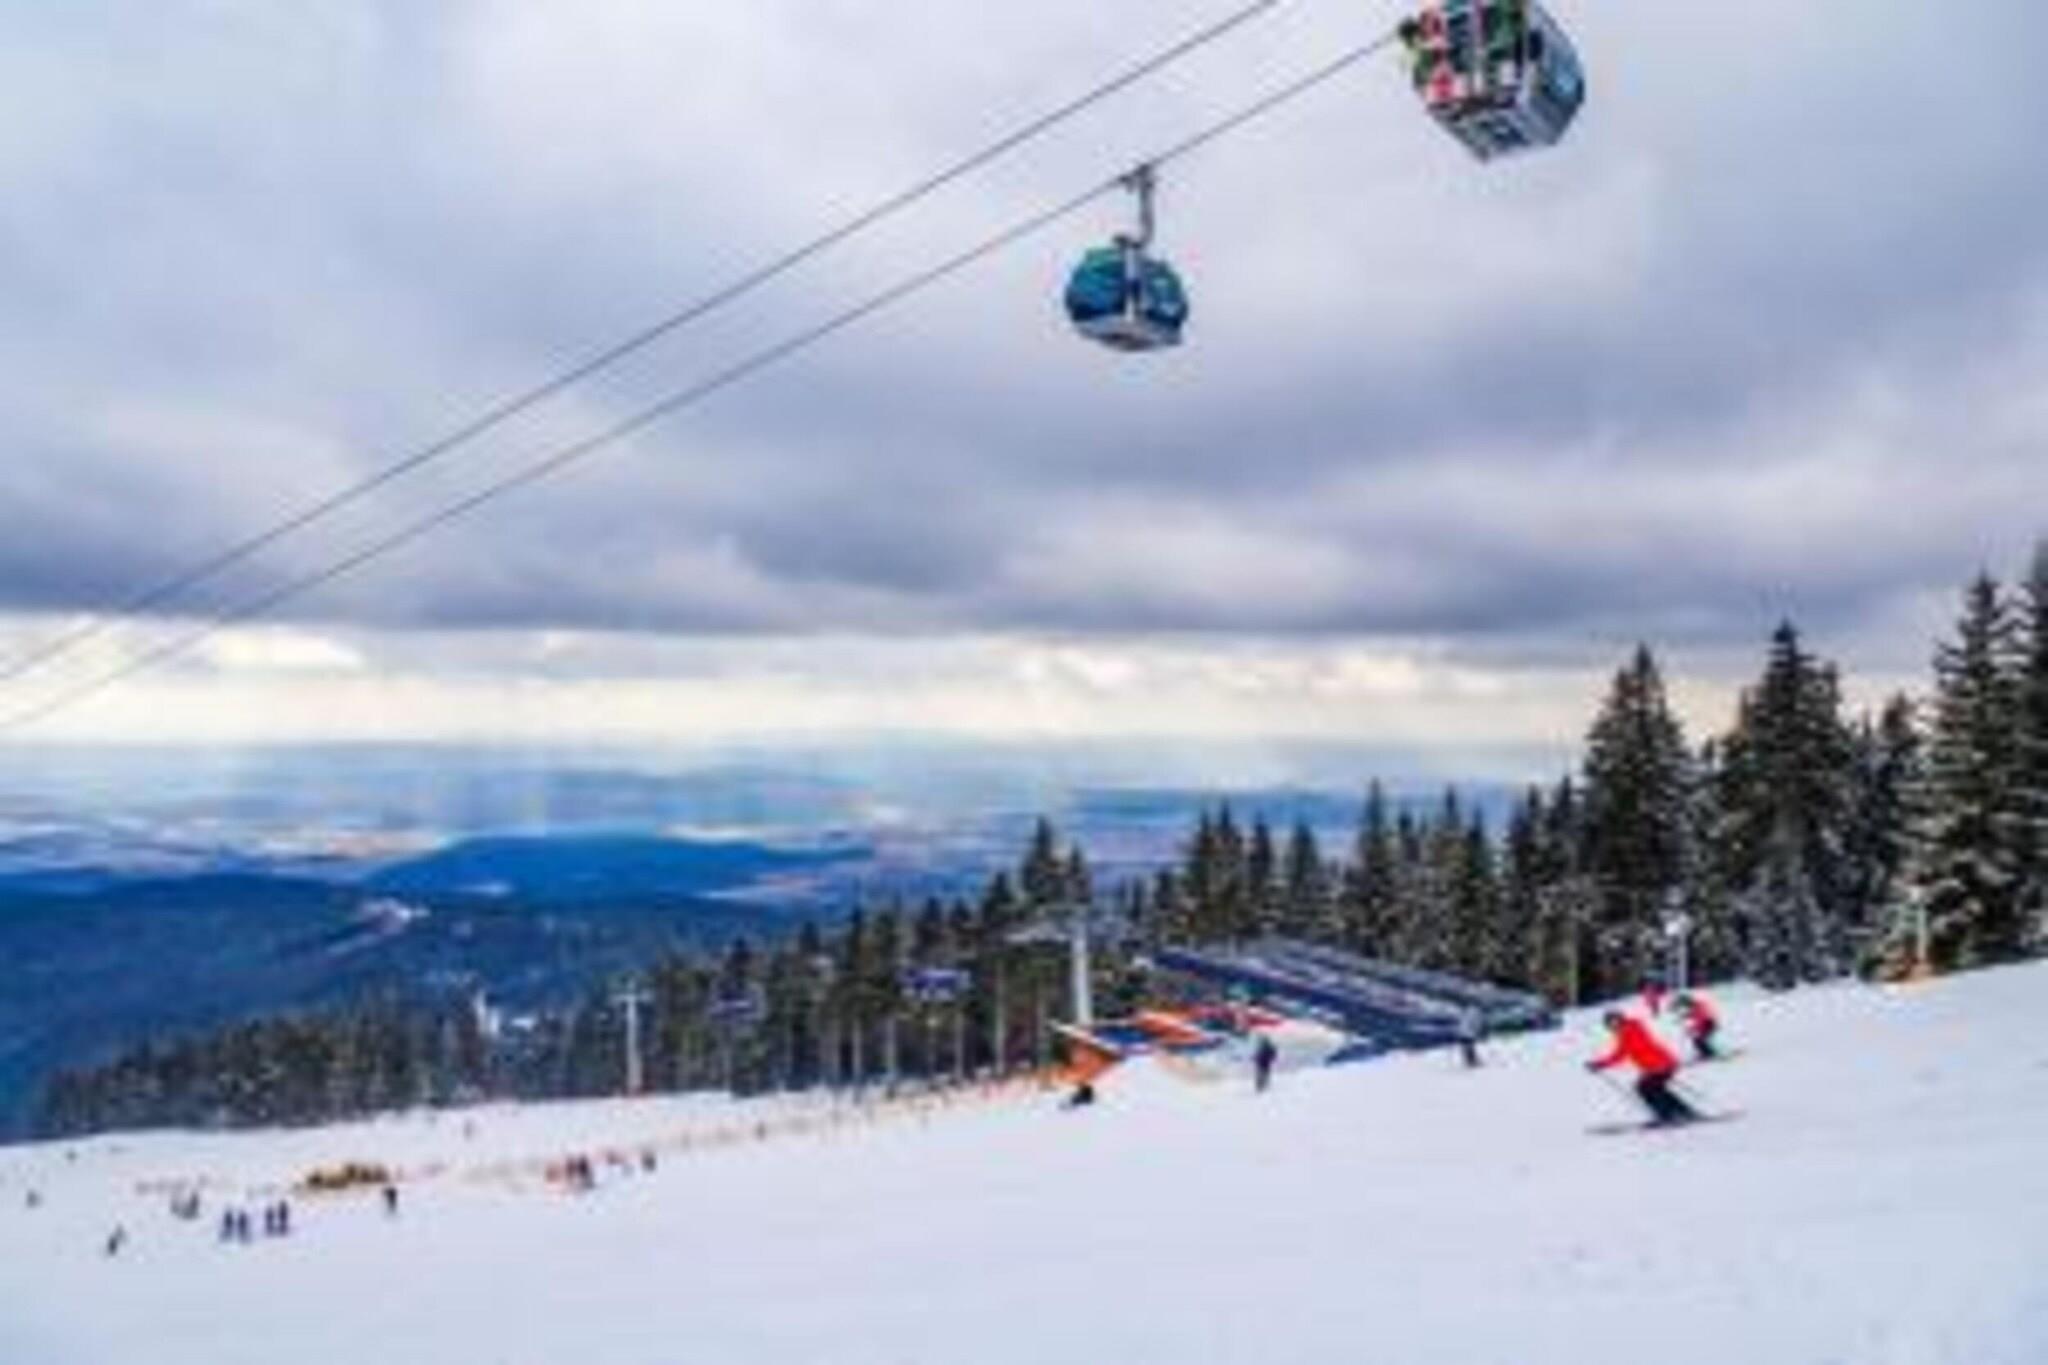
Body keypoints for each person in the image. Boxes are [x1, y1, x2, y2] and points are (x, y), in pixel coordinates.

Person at [1586, 1010, 1697, 1125]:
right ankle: (1682, 1112)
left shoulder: (1629, 1030)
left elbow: (1622, 1053)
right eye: (1610, 1024)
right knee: (1653, 1088)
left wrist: (1599, 1064)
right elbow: (1622, 1053)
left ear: (1621, 1019)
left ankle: (1667, 1114)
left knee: (1646, 1088)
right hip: (1661, 1064)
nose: (1614, 1025)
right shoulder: (1628, 1030)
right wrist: (1599, 1064)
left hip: (1660, 1064)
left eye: (1615, 1021)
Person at [1673, 992, 1720, 1061]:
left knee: (1699, 1040)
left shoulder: (1698, 1006)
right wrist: (1684, 1018)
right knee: (1697, 1040)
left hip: (1708, 1023)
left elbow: (1701, 1017)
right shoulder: (1693, 1006)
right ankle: (1706, 1052)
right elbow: (1691, 1014)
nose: (1684, 1007)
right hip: (1705, 1022)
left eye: (1684, 1004)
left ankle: (1710, 1053)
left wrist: (1693, 1028)